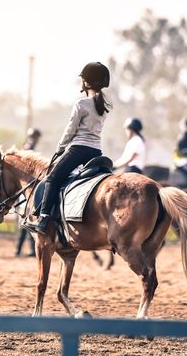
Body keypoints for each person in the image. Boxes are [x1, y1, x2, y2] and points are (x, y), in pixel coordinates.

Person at [23, 62, 111, 235]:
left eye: (83, 79)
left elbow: (70, 130)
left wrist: (60, 148)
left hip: (78, 150)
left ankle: (43, 219)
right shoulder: (104, 106)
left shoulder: (82, 103)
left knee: (52, 179)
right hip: (96, 152)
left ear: (87, 83)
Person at [15, 128, 41, 256]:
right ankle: (24, 249)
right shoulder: (29, 148)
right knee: (28, 218)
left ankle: (19, 249)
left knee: (27, 219)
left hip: (27, 187)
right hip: (28, 188)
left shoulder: (27, 146)